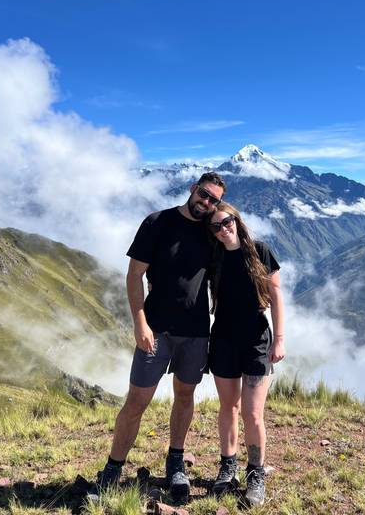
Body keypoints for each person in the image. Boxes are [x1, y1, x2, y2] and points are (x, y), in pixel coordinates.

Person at [96, 172, 226, 502]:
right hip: (156, 330)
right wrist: (140, 323)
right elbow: (134, 275)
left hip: (196, 333)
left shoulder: (212, 233)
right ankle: (113, 468)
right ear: (192, 189)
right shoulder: (157, 222)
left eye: (214, 200)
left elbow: (229, 265)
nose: (207, 203)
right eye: (204, 194)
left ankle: (176, 461)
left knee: (185, 396)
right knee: (137, 401)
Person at [206, 202, 285, 507]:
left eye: (226, 222)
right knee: (229, 406)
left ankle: (256, 474)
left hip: (256, 340)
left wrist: (279, 339)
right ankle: (228, 467)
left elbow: (276, 295)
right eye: (215, 226)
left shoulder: (261, 251)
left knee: (253, 413)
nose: (222, 229)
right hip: (223, 339)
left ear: (236, 220)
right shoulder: (214, 258)